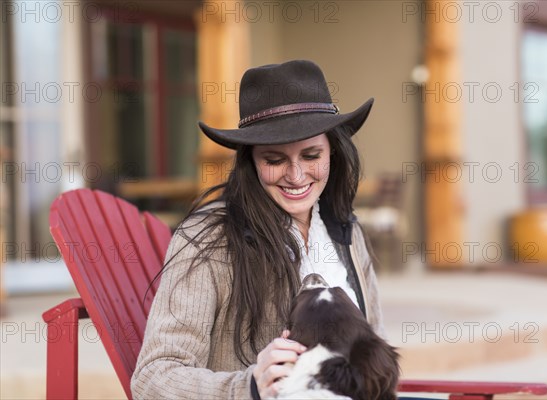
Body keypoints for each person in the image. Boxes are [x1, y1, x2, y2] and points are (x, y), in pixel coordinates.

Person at [131, 59, 388, 399]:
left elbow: (375, 349)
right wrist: (248, 385)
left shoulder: (346, 232)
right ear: (251, 162)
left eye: (311, 155)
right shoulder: (209, 239)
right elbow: (153, 378)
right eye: (274, 160)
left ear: (334, 153)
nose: (296, 176)